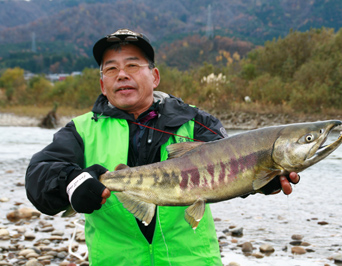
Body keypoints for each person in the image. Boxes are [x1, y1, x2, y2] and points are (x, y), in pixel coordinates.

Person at [25, 28, 300, 266]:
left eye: (132, 65)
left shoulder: (197, 122)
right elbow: (39, 176)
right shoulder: (82, 130)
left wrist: (264, 180)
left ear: (154, 76)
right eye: (111, 68)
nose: (121, 74)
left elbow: (232, 169)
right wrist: (71, 183)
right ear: (102, 84)